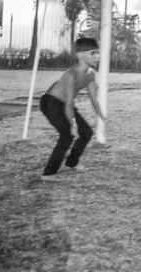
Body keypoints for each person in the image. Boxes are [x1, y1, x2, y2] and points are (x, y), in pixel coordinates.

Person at [39, 37, 107, 181]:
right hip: (50, 102)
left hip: (65, 104)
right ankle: (49, 173)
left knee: (86, 132)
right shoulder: (71, 74)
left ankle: (71, 163)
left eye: (97, 53)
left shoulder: (91, 74)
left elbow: (94, 99)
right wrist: (72, 124)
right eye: (93, 53)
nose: (97, 57)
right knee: (68, 134)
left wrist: (102, 116)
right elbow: (69, 103)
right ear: (80, 55)